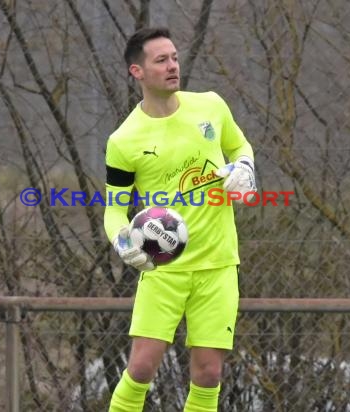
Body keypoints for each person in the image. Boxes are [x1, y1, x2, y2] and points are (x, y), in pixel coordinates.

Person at [103, 27, 256, 412]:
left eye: (174, 57)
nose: (172, 66)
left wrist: (245, 167)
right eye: (161, 60)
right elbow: (114, 209)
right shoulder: (125, 140)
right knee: (140, 367)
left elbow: (238, 144)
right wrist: (124, 241)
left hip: (218, 263)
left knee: (208, 373)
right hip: (164, 269)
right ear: (137, 72)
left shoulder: (210, 106)